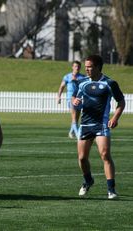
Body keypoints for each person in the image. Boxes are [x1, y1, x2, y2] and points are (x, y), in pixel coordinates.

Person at [72, 55, 125, 199]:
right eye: (86, 67)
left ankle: (111, 189)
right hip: (85, 124)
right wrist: (75, 102)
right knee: (82, 158)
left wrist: (115, 118)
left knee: (105, 154)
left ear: (97, 67)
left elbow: (121, 102)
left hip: (101, 124)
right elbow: (75, 99)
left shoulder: (110, 83)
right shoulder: (81, 83)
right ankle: (88, 181)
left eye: (89, 67)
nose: (87, 69)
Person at [57, 61, 86, 138]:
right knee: (73, 116)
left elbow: (85, 87)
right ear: (72, 67)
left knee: (76, 118)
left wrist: (76, 81)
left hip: (79, 98)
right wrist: (59, 97)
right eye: (75, 66)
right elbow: (62, 87)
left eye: (78, 66)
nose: (77, 68)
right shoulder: (67, 77)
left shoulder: (82, 77)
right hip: (70, 98)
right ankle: (78, 134)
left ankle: (71, 133)